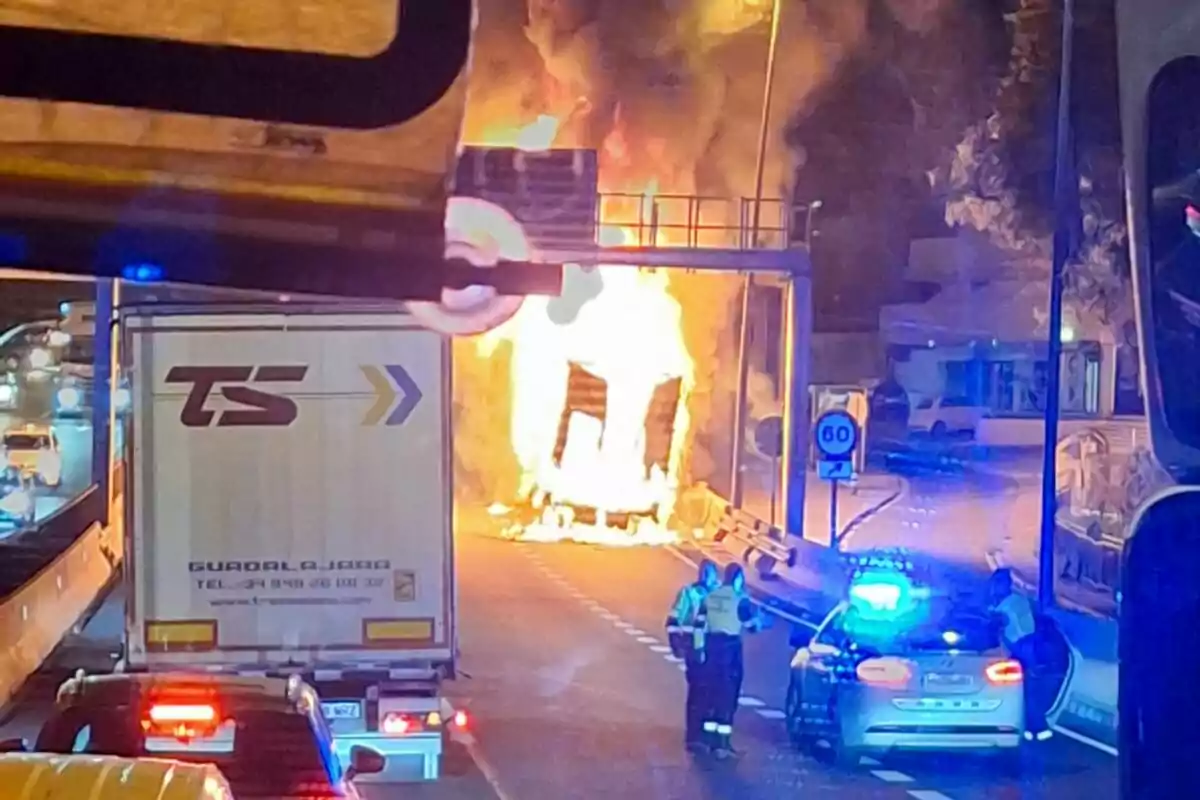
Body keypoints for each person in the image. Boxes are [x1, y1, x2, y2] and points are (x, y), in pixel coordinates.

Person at [694, 563, 764, 758]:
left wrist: (699, 649)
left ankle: (706, 741)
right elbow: (751, 627)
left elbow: (699, 625)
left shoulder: (710, 596)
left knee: (711, 694)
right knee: (728, 698)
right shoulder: (740, 600)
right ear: (738, 578)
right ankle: (722, 746)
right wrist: (758, 620)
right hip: (730, 651)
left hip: (710, 648)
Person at [988, 568, 1052, 741]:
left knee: (1027, 693)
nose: (995, 587)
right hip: (1015, 652)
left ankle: (1038, 728)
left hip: (1022, 652)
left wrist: (1029, 660)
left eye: (999, 583)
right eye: (995, 583)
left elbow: (1017, 632)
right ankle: (1031, 729)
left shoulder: (1012, 603)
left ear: (1007, 584)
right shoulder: (1004, 603)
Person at [665, 559, 720, 752]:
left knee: (714, 694)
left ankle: (709, 737)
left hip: (715, 651)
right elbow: (673, 619)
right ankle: (694, 737)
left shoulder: (720, 595)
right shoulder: (689, 593)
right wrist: (676, 644)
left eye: (709, 572)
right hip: (694, 651)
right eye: (703, 572)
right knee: (697, 693)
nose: (706, 576)